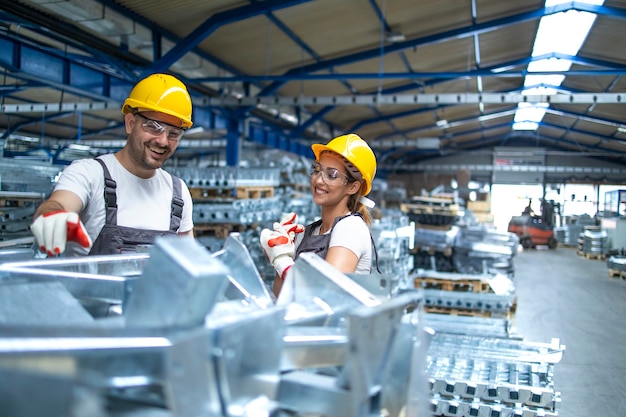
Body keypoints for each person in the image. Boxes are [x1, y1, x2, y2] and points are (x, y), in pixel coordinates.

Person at [30, 73, 195, 256]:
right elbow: (58, 203)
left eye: (173, 134)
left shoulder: (178, 192)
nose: (163, 141)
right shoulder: (89, 174)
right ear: (131, 124)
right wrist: (51, 216)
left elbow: (189, 261)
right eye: (153, 127)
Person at [260, 133, 378, 296]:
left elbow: (328, 295)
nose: (319, 180)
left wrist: (284, 264)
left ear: (353, 187)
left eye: (332, 175)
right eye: (317, 170)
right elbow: (281, 296)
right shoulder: (308, 233)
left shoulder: (350, 228)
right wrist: (281, 254)